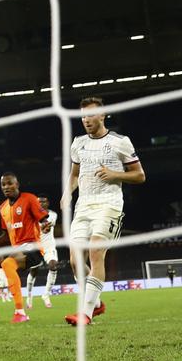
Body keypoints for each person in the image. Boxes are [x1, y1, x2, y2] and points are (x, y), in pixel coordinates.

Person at [63, 96, 145, 326]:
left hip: (109, 204)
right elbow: (75, 175)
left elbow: (140, 175)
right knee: (74, 260)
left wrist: (115, 174)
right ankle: (97, 303)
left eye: (90, 115)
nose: (85, 120)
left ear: (103, 114)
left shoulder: (121, 141)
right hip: (83, 206)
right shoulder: (78, 143)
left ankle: (86, 313)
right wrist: (67, 192)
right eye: (82, 116)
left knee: (95, 252)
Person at [0, 173, 51, 324]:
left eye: (9, 183)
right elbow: (6, 237)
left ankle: (20, 312)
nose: (6, 187)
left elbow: (44, 219)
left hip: (32, 249)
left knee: (7, 263)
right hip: (15, 250)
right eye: (3, 185)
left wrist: (46, 225)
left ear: (17, 184)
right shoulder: (3, 207)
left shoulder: (29, 199)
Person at [25, 195, 61, 309]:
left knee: (53, 265)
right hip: (35, 246)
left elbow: (47, 227)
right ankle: (29, 296)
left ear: (48, 203)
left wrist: (43, 227)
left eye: (43, 202)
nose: (41, 204)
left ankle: (46, 295)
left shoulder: (53, 215)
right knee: (33, 271)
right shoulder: (30, 216)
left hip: (48, 246)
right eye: (39, 202)